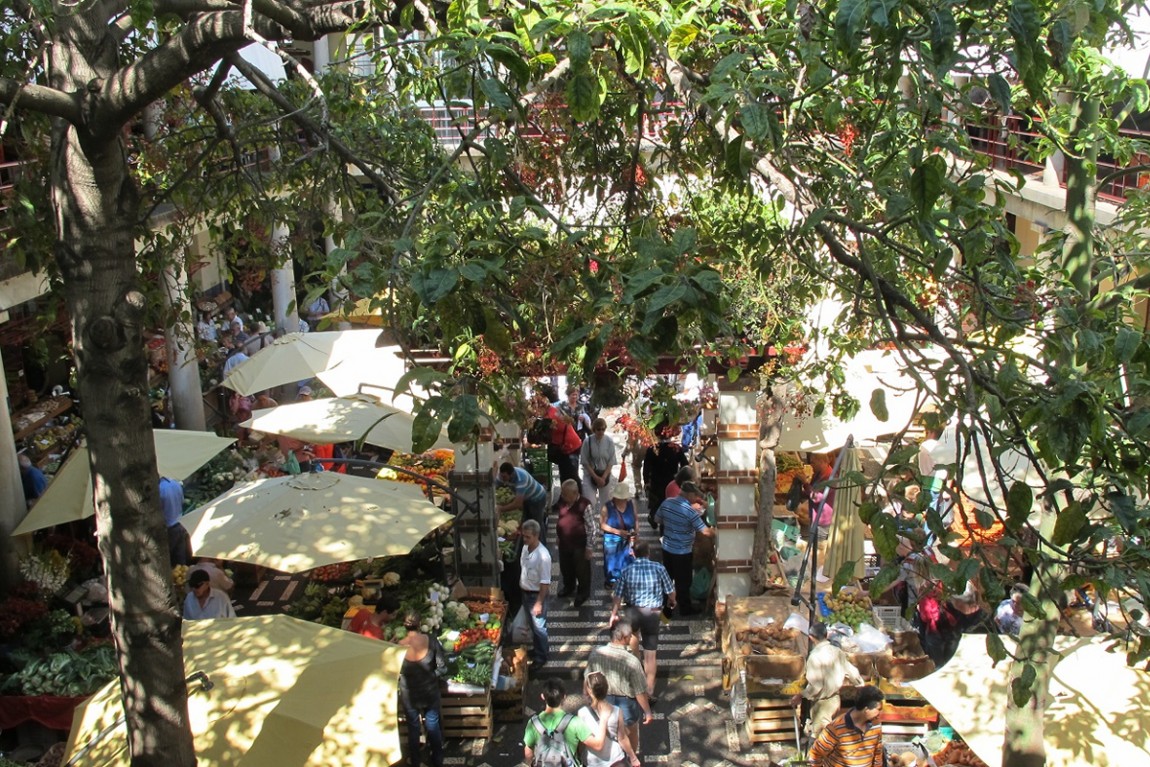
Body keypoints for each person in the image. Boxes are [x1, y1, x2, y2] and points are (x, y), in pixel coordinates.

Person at [609, 540, 675, 696]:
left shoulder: (626, 570)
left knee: (633, 636)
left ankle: (636, 665)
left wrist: (614, 613)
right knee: (651, 655)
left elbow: (617, 595)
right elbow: (670, 592)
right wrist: (672, 601)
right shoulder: (659, 568)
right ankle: (649, 690)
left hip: (633, 611)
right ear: (648, 552)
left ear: (633, 553)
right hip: (652, 613)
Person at [586, 622, 654, 756]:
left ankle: (610, 757)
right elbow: (640, 691)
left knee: (606, 730)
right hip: (626, 703)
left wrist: (588, 697)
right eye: (630, 636)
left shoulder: (596, 654)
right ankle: (630, 757)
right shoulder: (632, 661)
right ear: (624, 637)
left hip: (603, 699)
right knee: (630, 732)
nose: (632, 639)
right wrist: (647, 711)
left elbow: (588, 677)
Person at [790, 622, 864, 742]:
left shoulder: (814, 657)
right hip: (835, 700)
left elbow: (816, 686)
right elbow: (852, 671)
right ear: (827, 634)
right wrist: (860, 685)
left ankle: (815, 759)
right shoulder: (837, 652)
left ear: (811, 637)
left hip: (823, 704)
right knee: (831, 733)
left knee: (820, 738)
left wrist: (800, 695)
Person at [655, 480, 713, 617]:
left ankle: (666, 610)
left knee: (668, 578)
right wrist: (716, 531)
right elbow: (705, 532)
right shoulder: (689, 511)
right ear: (689, 495)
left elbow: (658, 519)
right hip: (682, 552)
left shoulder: (667, 502)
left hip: (667, 548)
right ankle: (685, 609)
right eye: (695, 496)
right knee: (684, 582)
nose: (696, 499)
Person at [398, 609, 448, 767]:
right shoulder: (431, 640)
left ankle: (415, 761)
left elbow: (394, 672)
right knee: (432, 724)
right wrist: (432, 675)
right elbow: (442, 668)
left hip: (409, 694)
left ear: (404, 625)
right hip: (429, 691)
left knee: (413, 727)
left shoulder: (398, 647)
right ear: (420, 624)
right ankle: (437, 760)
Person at [524, 679, 609, 767]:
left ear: (542, 697)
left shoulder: (533, 723)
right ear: (564, 697)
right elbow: (598, 745)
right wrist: (603, 719)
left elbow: (528, 753)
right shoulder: (575, 722)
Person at [808, 685, 886, 767]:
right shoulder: (836, 728)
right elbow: (815, 754)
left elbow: (877, 755)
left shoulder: (876, 726)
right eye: (878, 710)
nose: (879, 714)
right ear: (866, 710)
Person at [578, 671, 642, 767]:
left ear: (589, 690)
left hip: (594, 762)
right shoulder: (616, 711)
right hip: (616, 758)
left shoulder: (583, 713)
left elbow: (581, 740)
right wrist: (633, 757)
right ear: (606, 689)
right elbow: (622, 738)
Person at [917, 584, 985, 667]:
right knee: (938, 660)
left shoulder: (972, 611)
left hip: (952, 635)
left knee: (950, 659)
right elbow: (925, 618)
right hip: (936, 634)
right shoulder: (932, 601)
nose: (972, 609)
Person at [554, 479, 595, 607]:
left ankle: (583, 593)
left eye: (565, 494)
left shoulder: (585, 505)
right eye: (562, 493)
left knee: (581, 571)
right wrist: (559, 535)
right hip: (564, 543)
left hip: (579, 545)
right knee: (566, 568)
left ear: (575, 493)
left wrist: (589, 547)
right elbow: (560, 518)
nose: (562, 496)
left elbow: (591, 528)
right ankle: (569, 587)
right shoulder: (563, 501)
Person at [531, 384, 583, 486]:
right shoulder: (552, 410)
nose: (536, 404)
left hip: (569, 447)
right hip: (568, 446)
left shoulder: (551, 416)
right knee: (566, 475)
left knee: (571, 477)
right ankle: (567, 496)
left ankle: (577, 498)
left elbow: (542, 437)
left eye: (538, 400)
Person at [518, 519, 552, 671]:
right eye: (523, 536)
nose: (525, 540)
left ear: (536, 536)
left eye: (528, 537)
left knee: (539, 627)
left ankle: (541, 656)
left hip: (536, 596)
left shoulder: (543, 556)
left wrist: (539, 602)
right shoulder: (526, 548)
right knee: (533, 626)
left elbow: (545, 583)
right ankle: (538, 649)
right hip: (526, 593)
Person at [497, 461, 550, 546]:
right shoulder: (502, 476)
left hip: (537, 498)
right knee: (527, 521)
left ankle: (541, 546)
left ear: (511, 474)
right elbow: (495, 484)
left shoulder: (521, 479)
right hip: (527, 498)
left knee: (537, 524)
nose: (503, 479)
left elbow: (518, 503)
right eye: (501, 476)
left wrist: (501, 508)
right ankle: (528, 545)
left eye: (504, 477)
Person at [642, 436, 687, 529]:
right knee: (666, 502)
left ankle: (654, 516)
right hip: (671, 480)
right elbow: (685, 465)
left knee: (660, 500)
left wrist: (646, 481)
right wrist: (682, 478)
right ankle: (658, 519)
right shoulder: (676, 448)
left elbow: (646, 467)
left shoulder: (652, 448)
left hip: (656, 480)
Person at [600, 483, 637, 586]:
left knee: (628, 562)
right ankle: (611, 582)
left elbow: (636, 519)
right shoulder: (607, 507)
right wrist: (618, 532)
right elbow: (602, 525)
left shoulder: (631, 504)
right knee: (612, 564)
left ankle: (625, 584)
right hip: (612, 541)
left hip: (628, 540)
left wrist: (636, 532)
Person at [580, 417, 617, 511]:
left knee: (606, 504)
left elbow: (611, 461)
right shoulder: (587, 441)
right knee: (589, 502)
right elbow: (585, 462)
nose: (601, 431)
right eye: (598, 429)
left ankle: (603, 524)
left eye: (603, 429)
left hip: (605, 474)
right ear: (594, 429)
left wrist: (603, 478)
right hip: (590, 475)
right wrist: (596, 478)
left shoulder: (609, 441)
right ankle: (590, 524)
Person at [160, 477, 192, 566]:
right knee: (180, 558)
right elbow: (182, 501)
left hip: (169, 528)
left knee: (166, 559)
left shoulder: (159, 489)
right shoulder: (175, 483)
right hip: (179, 523)